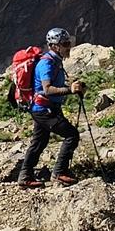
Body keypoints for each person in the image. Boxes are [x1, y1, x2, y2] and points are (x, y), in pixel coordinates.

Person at [18, 27, 86, 188]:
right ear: (55, 46)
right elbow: (47, 89)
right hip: (44, 109)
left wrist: (72, 87)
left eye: (68, 43)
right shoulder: (47, 64)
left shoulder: (54, 61)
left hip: (42, 108)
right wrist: (70, 90)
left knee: (39, 142)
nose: (68, 46)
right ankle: (59, 173)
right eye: (65, 43)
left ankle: (25, 176)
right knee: (72, 135)